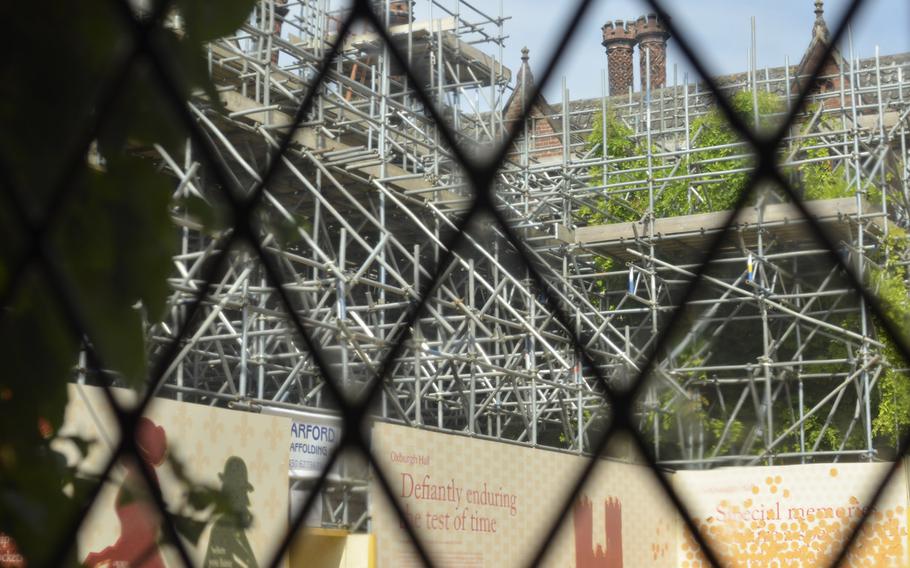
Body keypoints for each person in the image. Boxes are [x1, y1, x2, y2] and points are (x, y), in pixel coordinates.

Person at [84, 418, 168, 568]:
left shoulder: (142, 476)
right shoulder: (139, 475)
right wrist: (106, 555)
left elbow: (139, 536)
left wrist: (104, 556)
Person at [203, 456, 258, 568]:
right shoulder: (221, 528)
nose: (242, 499)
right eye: (236, 493)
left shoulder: (237, 529)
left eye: (241, 492)